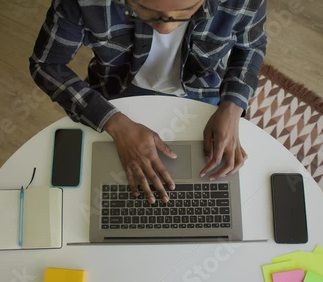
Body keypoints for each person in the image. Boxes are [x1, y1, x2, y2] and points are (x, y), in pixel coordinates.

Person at [29, 0, 267, 204]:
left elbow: (251, 46)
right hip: (116, 90)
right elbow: (46, 64)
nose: (166, 28)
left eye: (187, 11)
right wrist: (114, 122)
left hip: (203, 91)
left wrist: (232, 106)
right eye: (145, 10)